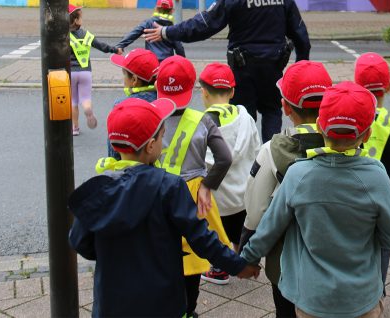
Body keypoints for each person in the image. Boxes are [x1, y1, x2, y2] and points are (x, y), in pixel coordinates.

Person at [68, 97, 260, 318]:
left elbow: (79, 241)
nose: (162, 141)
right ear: (151, 146)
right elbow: (201, 238)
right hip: (162, 302)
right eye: (162, 136)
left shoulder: (98, 189)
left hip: (112, 302)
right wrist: (239, 266)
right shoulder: (169, 186)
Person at [240, 82, 390, 318]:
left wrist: (246, 260)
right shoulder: (376, 176)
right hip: (362, 299)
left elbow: (268, 228)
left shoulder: (298, 174)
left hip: (311, 299)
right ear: (367, 133)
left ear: (319, 126)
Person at [143, 0, 311, 143]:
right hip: (273, 67)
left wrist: (167, 32)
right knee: (272, 111)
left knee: (244, 116)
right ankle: (270, 157)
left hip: (244, 69)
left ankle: (248, 162)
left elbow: (203, 25)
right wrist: (300, 68)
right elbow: (300, 34)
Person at [241, 60, 332, 317]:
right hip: (337, 263)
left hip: (285, 266)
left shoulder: (271, 150)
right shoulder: (346, 145)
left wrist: (249, 256)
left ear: (284, 106)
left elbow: (256, 212)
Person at [154, 55, 234, 318]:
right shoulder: (204, 120)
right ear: (192, 89)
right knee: (193, 254)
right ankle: (188, 310)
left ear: (158, 86)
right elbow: (224, 159)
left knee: (160, 251)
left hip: (156, 192)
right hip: (191, 194)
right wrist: (207, 186)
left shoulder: (150, 114)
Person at [197, 62, 262, 286]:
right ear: (233, 92)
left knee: (216, 234)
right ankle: (242, 258)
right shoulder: (246, 119)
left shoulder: (201, 124)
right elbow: (256, 151)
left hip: (215, 201)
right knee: (239, 231)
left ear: (203, 91)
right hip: (242, 197)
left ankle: (219, 269)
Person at [354, 52, 390, 286]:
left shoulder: (352, 119)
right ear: (388, 87)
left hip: (353, 203)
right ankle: (377, 295)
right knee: (382, 253)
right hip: (386, 206)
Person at [68, 4, 122, 137]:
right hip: (85, 72)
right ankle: (87, 109)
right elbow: (101, 46)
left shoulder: (65, 37)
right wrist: (115, 50)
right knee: (85, 97)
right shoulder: (86, 35)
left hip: (71, 72)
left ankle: (75, 127)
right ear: (76, 20)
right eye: (81, 17)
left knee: (73, 101)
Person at [106, 48, 159, 159]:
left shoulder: (121, 106)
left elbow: (115, 151)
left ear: (134, 80)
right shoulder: (164, 102)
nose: (123, 79)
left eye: (124, 74)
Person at [116, 0, 185, 61]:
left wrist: (120, 45)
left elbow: (133, 34)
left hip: (150, 62)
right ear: (172, 11)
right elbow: (179, 48)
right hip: (166, 63)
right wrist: (183, 61)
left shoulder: (148, 23)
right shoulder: (172, 28)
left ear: (156, 9)